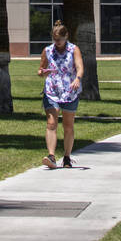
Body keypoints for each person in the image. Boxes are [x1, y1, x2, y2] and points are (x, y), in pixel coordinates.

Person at [38, 19, 83, 169]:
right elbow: (40, 70)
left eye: (60, 39)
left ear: (66, 36)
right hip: (52, 90)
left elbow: (80, 67)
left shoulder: (73, 49)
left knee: (68, 125)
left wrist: (78, 78)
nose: (58, 42)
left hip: (70, 91)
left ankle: (67, 157)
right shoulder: (48, 50)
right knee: (51, 122)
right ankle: (51, 156)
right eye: (55, 39)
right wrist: (43, 72)